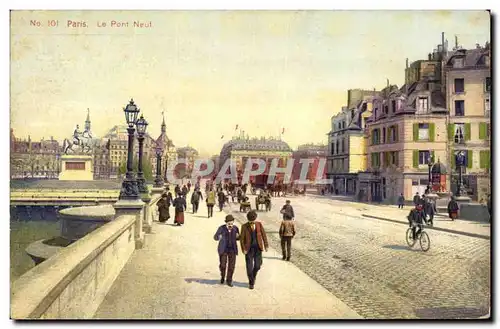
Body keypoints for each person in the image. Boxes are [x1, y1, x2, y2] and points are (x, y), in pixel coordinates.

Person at [240, 210, 269, 290]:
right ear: (248, 219)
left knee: (258, 265)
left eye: (253, 220)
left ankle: (253, 275)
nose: (252, 221)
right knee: (249, 267)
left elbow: (263, 235)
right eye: (250, 220)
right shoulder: (244, 226)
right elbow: (242, 239)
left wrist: (266, 245)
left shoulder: (259, 224)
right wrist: (244, 249)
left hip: (258, 248)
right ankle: (251, 282)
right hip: (248, 249)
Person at [213, 215, 240, 287]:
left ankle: (229, 280)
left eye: (231, 223)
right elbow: (215, 237)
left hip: (232, 249)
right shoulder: (221, 228)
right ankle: (222, 276)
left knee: (231, 266)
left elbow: (238, 238)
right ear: (226, 223)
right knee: (223, 265)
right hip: (223, 249)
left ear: (233, 222)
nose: (230, 224)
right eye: (229, 223)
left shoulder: (236, 228)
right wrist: (219, 237)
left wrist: (238, 237)